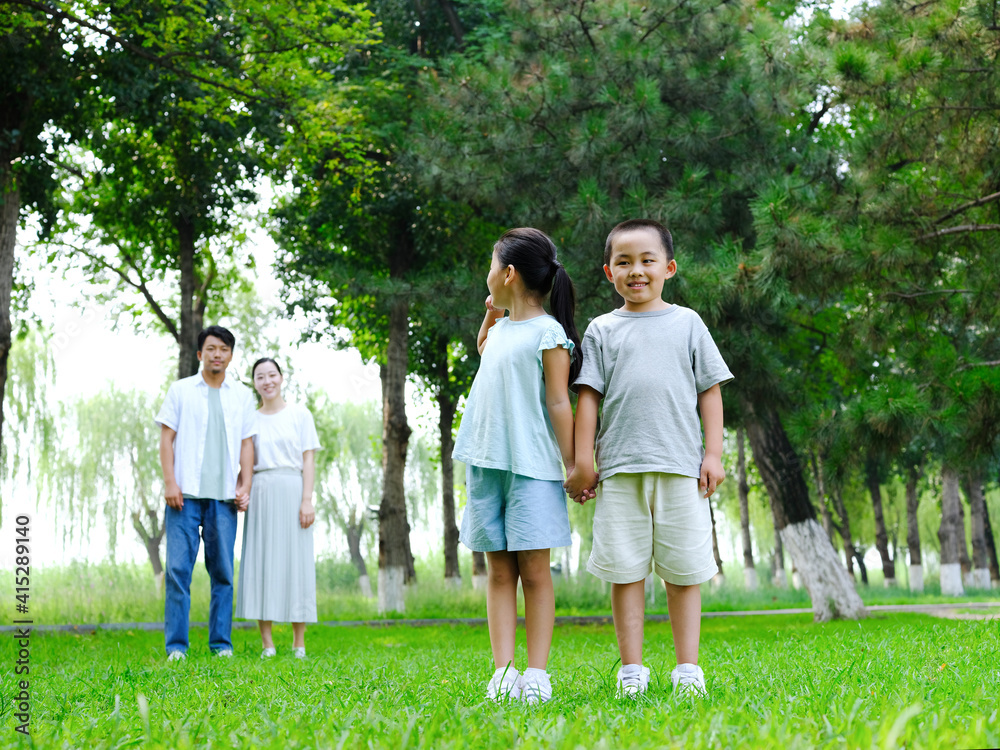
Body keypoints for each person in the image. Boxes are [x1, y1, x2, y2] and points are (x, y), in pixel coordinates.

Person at [564, 219, 734, 698]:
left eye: (646, 261)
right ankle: (632, 671)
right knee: (625, 571)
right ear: (608, 271)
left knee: (683, 574)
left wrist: (714, 453)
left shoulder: (688, 323)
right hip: (619, 470)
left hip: (682, 467)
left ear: (669, 268)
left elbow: (711, 391)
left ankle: (687, 670)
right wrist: (583, 461)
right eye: (624, 262)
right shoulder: (602, 330)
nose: (635, 271)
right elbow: (589, 398)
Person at [453, 227, 581, 704]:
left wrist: (573, 464)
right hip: (487, 464)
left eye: (491, 264)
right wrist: (489, 319)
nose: (486, 275)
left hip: (532, 468)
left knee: (534, 572)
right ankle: (503, 672)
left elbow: (558, 403)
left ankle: (538, 673)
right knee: (499, 572)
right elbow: (485, 350)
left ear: (508, 273)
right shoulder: (503, 329)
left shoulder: (548, 332)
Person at [155, 325, 258, 660]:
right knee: (178, 572)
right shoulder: (181, 390)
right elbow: (166, 439)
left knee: (223, 574)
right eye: (211, 348)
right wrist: (171, 483)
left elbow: (247, 444)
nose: (218, 354)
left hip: (224, 498)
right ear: (200, 354)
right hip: (184, 497)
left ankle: (221, 645)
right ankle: (176, 648)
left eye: (224, 349)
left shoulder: (241, 395)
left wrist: (245, 484)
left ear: (230, 355)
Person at [236, 357, 321, 659]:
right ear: (254, 383)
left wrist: (307, 498)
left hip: (292, 487)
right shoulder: (250, 419)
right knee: (263, 561)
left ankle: (299, 642)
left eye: (272, 375)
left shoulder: (299, 414)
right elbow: (244, 460)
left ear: (281, 378)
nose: (267, 381)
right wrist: (241, 489)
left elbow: (308, 459)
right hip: (261, 490)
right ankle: (267, 643)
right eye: (260, 376)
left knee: (295, 562)